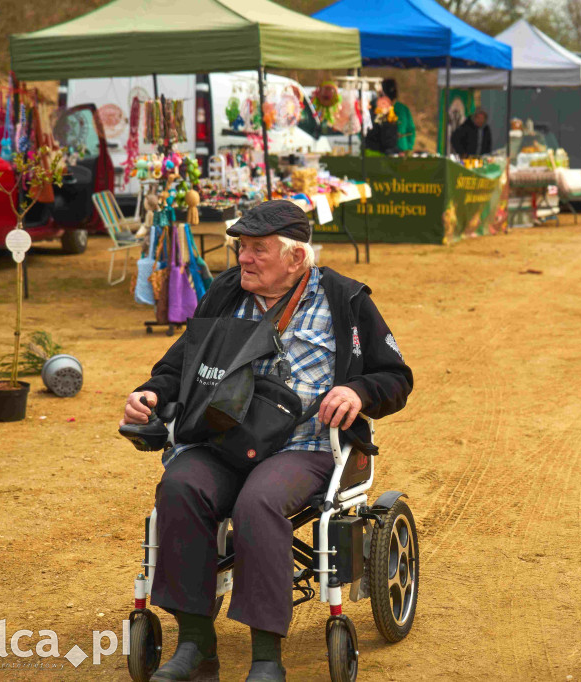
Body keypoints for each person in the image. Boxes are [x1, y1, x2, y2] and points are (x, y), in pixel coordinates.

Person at [120, 201, 413, 682]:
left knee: (260, 500)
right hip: (225, 439)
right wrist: (152, 392)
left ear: (296, 258)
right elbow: (180, 364)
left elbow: (395, 376)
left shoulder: (344, 299)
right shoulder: (225, 293)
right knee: (179, 487)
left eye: (258, 249)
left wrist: (356, 390)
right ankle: (196, 645)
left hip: (308, 445)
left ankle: (265, 660)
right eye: (241, 247)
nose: (244, 258)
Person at [382, 78, 416, 153]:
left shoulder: (403, 109)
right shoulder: (378, 109)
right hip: (384, 151)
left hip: (401, 149)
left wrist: (408, 148)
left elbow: (411, 129)